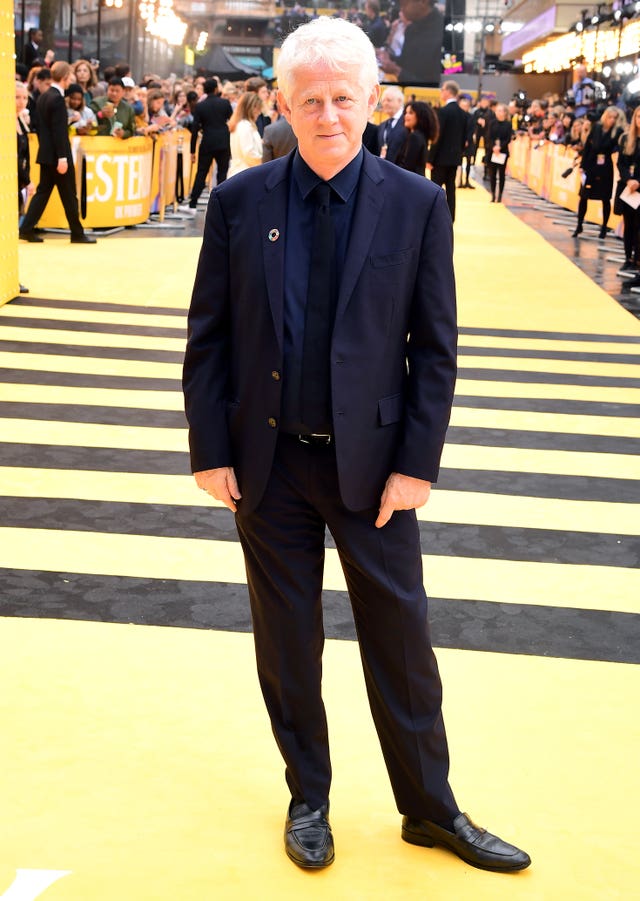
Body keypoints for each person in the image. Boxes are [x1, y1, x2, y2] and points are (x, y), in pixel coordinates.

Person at [183, 15, 530, 875]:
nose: (328, 114)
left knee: (401, 636)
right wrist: (208, 448)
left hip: (374, 470)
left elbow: (435, 345)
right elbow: (210, 338)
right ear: (285, 106)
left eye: (344, 97)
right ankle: (310, 797)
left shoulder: (415, 203)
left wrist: (416, 464)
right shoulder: (240, 203)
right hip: (267, 467)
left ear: (373, 101)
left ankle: (431, 807)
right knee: (288, 637)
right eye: (311, 100)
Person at [19, 61, 96, 244]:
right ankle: (77, 233)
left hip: (46, 154)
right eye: (69, 76)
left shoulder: (45, 97)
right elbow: (58, 132)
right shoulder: (57, 99)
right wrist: (62, 157)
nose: (71, 79)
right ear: (64, 77)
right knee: (69, 195)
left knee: (43, 192)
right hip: (58, 156)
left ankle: (26, 228)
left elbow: (48, 127)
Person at [180, 78, 233, 213]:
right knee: (222, 173)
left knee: (201, 173)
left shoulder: (200, 106)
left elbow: (194, 129)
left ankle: (193, 204)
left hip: (207, 142)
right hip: (223, 142)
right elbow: (231, 121)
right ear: (216, 89)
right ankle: (223, 205)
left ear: (204, 90)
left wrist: (192, 151)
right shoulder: (225, 103)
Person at [572, 105, 624, 239]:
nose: (612, 120)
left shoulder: (617, 132)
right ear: (605, 116)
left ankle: (604, 227)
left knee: (605, 198)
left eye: (614, 118)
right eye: (610, 117)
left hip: (605, 168)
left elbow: (613, 147)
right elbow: (588, 147)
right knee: (583, 196)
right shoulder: (596, 128)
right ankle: (579, 225)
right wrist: (583, 166)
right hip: (590, 165)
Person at [427, 80, 468, 222]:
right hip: (455, 158)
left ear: (449, 91)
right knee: (451, 189)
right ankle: (450, 218)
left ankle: (434, 217)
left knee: (434, 190)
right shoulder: (463, 114)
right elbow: (465, 139)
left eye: (442, 89)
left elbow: (437, 137)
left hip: (440, 159)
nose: (441, 92)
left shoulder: (443, 112)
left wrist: (430, 158)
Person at [377, 0, 444, 86]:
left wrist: (396, 71)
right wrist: (388, 57)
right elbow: (407, 62)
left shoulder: (440, 33)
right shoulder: (411, 29)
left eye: (404, 4)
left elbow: (433, 83)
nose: (401, 9)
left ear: (423, 2)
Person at [615, 105, 640, 280]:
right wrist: (628, 180)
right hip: (627, 188)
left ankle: (637, 260)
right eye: (638, 117)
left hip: (639, 188)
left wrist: (638, 181)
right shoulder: (626, 139)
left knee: (638, 227)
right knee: (628, 225)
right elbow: (621, 163)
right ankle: (627, 258)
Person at [395, 100, 438, 174]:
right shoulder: (421, 136)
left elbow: (407, 166)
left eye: (411, 113)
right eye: (406, 113)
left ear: (420, 116)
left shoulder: (415, 137)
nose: (406, 116)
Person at [227, 91, 263, 178]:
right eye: (258, 108)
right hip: (245, 172)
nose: (259, 112)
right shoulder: (245, 126)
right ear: (251, 108)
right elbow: (249, 153)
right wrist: (265, 159)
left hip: (241, 171)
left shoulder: (240, 124)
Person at [486, 103, 514, 203]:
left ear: (505, 112)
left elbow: (508, 138)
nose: (497, 112)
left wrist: (500, 147)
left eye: (500, 110)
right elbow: (489, 136)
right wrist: (494, 147)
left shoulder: (508, 124)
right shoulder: (492, 123)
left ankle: (500, 195)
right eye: (497, 110)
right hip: (492, 151)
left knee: (501, 174)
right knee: (492, 174)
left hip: (503, 152)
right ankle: (493, 194)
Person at [376, 86, 408, 164]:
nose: (385, 103)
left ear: (400, 101)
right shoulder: (382, 126)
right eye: (383, 101)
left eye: (389, 100)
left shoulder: (408, 122)